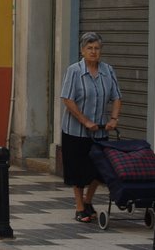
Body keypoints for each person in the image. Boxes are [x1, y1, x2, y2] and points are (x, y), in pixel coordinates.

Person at [60, 31, 123, 223]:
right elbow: (67, 99)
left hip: (100, 130)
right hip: (75, 131)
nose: (93, 52)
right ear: (82, 50)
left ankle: (88, 201)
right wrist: (85, 121)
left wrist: (113, 118)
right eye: (89, 48)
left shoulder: (108, 70)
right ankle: (80, 207)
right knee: (78, 170)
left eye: (96, 48)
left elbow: (117, 96)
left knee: (99, 169)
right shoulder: (74, 71)